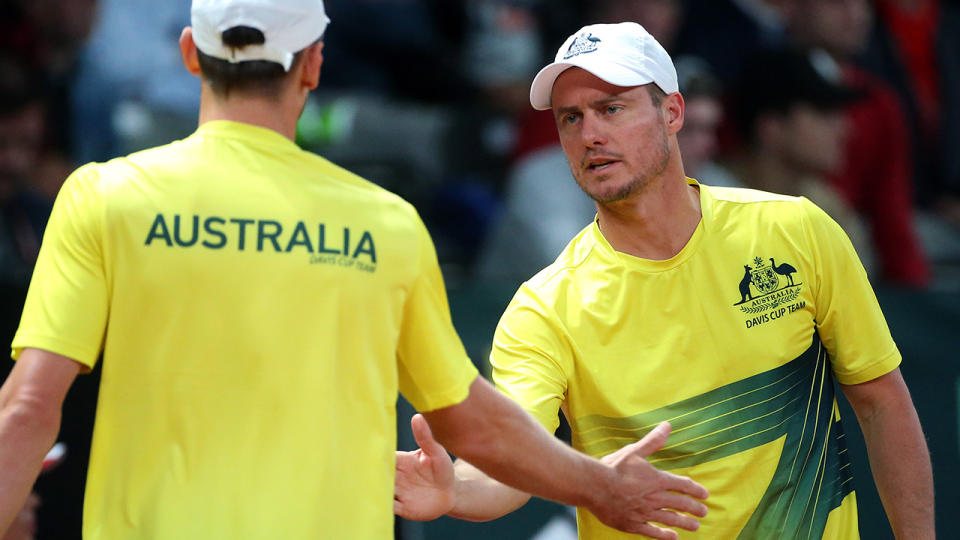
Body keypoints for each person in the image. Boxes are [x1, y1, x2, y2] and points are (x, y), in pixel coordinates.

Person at [0, 2, 710, 539]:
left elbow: (30, 409)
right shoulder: (384, 223)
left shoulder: (104, 196)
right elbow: (474, 425)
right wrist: (596, 484)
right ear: (313, 64)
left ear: (191, 54)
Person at [396, 22, 934, 539]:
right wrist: (456, 490)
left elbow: (882, 402)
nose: (591, 135)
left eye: (611, 108)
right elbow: (514, 458)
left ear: (672, 112)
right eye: (571, 118)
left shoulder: (796, 228)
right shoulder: (544, 307)